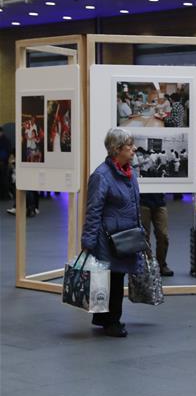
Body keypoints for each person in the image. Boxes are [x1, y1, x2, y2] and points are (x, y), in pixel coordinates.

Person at [81, 127, 143, 338]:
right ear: (117, 150)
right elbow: (94, 210)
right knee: (114, 280)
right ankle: (112, 322)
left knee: (113, 278)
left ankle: (102, 317)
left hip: (124, 237)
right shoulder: (101, 175)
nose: (133, 149)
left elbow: (134, 204)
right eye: (129, 146)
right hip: (108, 239)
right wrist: (88, 240)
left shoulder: (129, 172)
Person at [140, 192, 173, 276]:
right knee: (144, 236)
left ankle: (161, 264)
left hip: (160, 202)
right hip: (142, 201)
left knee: (163, 235)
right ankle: (149, 265)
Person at [0, 127, 11, 200]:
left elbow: (6, 152)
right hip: (3, 162)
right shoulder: (5, 140)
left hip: (3, 162)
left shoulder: (5, 141)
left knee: (4, 179)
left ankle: (5, 195)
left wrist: (2, 159)